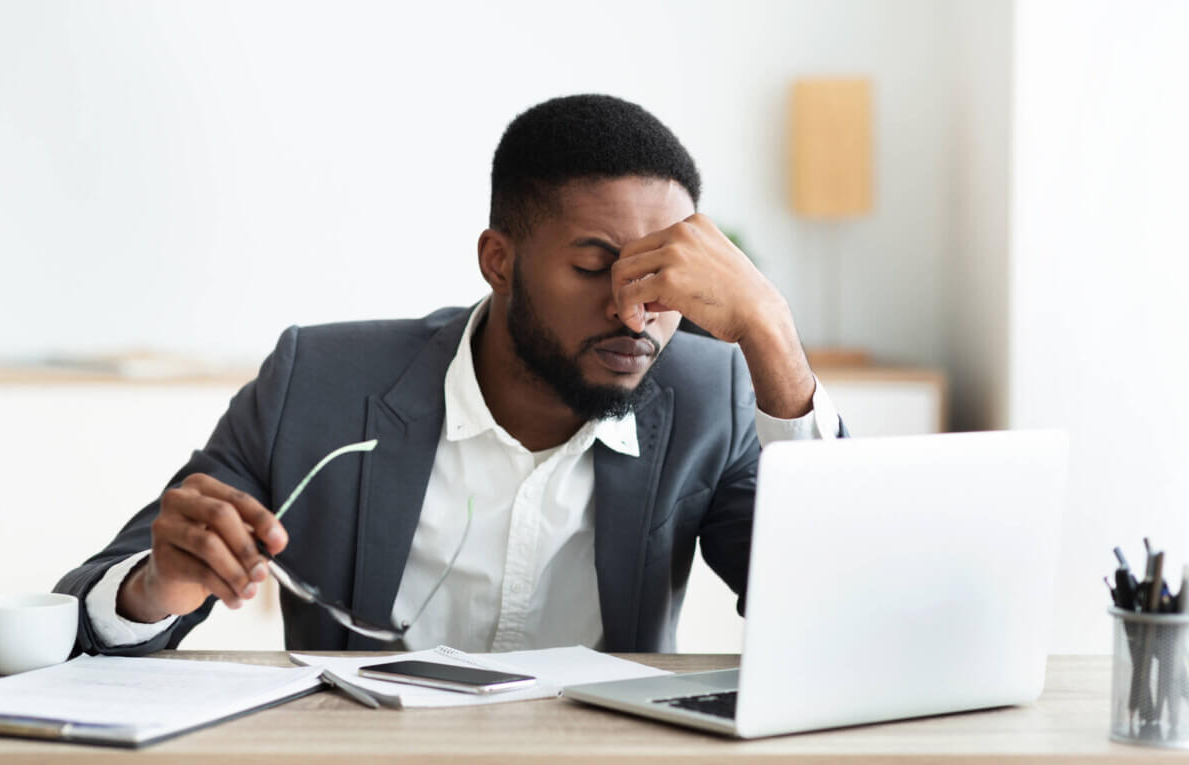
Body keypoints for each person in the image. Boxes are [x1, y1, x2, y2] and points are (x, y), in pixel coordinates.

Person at [56, 94, 846, 656]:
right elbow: (78, 617)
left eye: (661, 276)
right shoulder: (319, 382)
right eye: (594, 267)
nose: (635, 313)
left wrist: (771, 334)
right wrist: (156, 585)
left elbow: (830, 619)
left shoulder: (712, 397)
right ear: (499, 262)